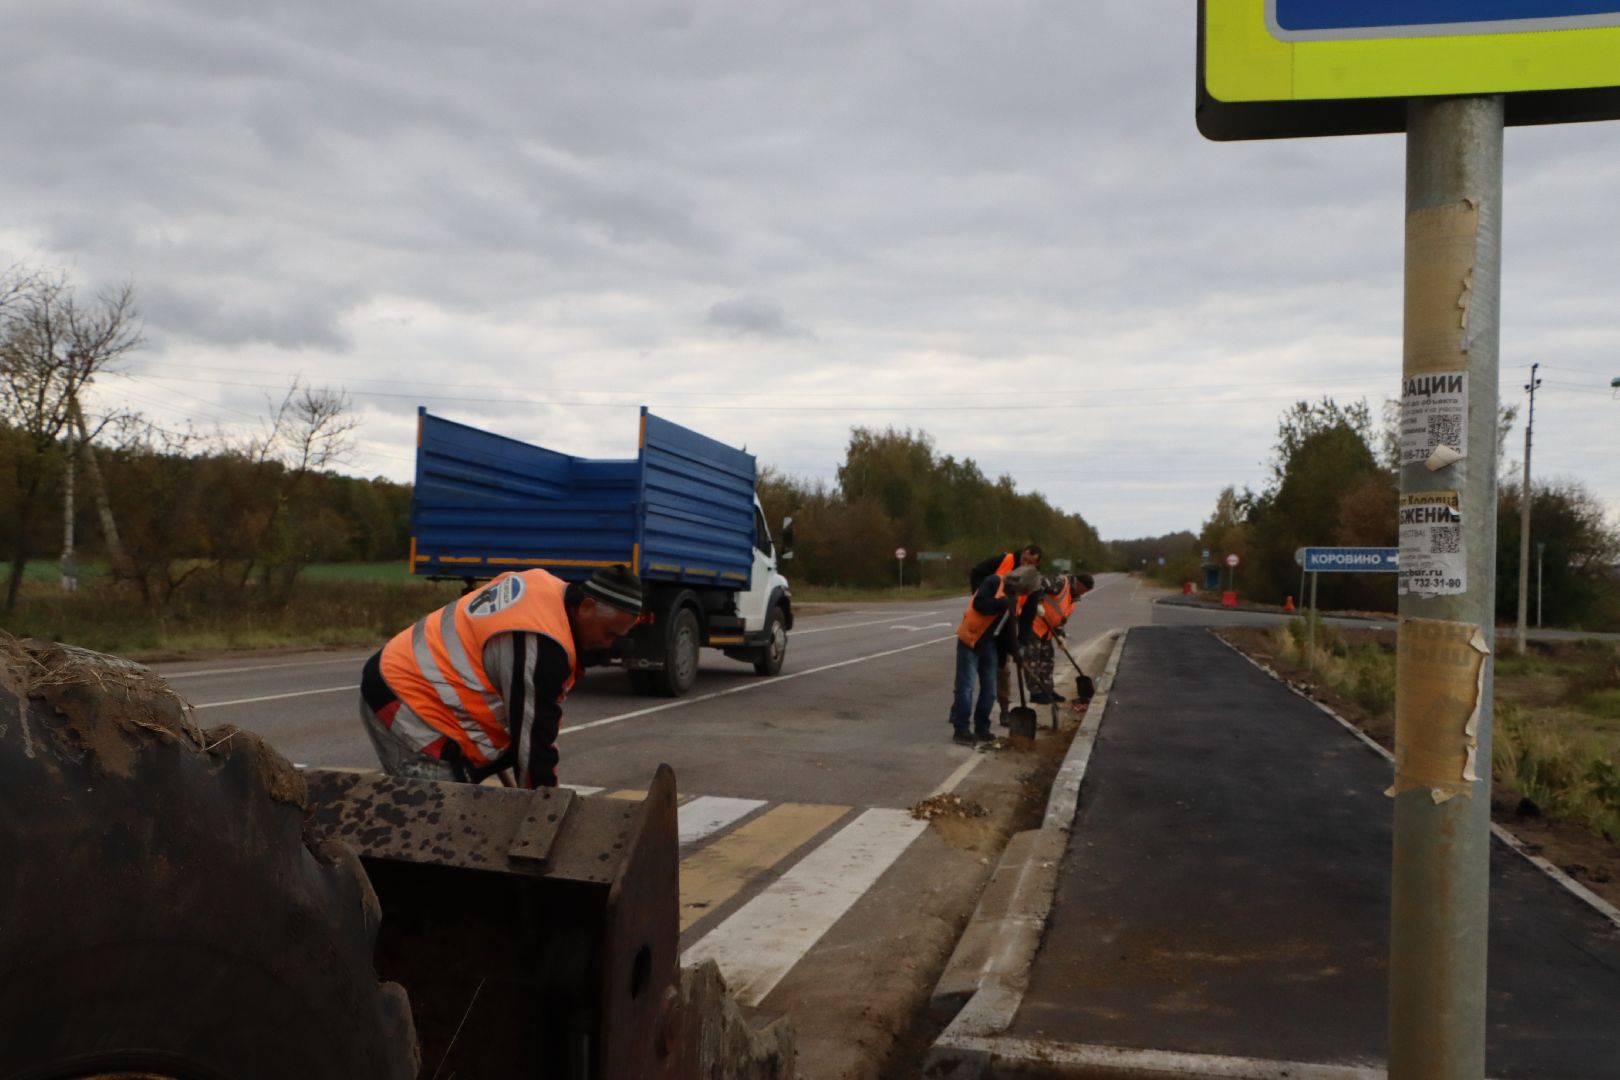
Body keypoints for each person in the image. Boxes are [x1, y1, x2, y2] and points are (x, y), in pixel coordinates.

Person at [358, 564, 643, 788]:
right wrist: (547, 812)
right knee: (440, 826)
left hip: (411, 687)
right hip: (406, 702)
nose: (607, 644)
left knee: (460, 792)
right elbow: (533, 745)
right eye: (607, 633)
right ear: (586, 606)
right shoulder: (542, 642)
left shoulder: (543, 585)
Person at [951, 564, 1039, 745]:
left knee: (990, 691)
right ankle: (961, 730)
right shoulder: (993, 582)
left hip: (989, 645)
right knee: (965, 688)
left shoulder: (1014, 599)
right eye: (1025, 591)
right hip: (971, 640)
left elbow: (1007, 630)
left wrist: (1015, 651)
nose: (1024, 596)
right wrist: (1004, 603)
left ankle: (982, 728)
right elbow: (980, 604)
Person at [967, 545, 1043, 722]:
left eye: (1031, 562)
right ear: (1022, 553)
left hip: (1007, 623)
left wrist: (1021, 643)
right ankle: (958, 707)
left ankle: (1004, 709)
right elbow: (976, 572)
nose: (1025, 564)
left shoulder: (1033, 582)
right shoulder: (1005, 560)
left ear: (1037, 564)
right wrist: (979, 597)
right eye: (1024, 559)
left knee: (1003, 668)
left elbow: (1027, 616)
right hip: (984, 617)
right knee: (970, 665)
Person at [1024, 572, 1093, 704]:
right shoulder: (1060, 583)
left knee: (1047, 661)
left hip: (1046, 630)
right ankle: (1036, 693)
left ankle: (1048, 690)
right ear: (1079, 583)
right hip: (1033, 624)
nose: (1083, 594)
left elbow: (1060, 620)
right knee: (1032, 660)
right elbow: (1038, 583)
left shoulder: (1073, 599)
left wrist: (1060, 637)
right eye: (1084, 590)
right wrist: (1037, 604)